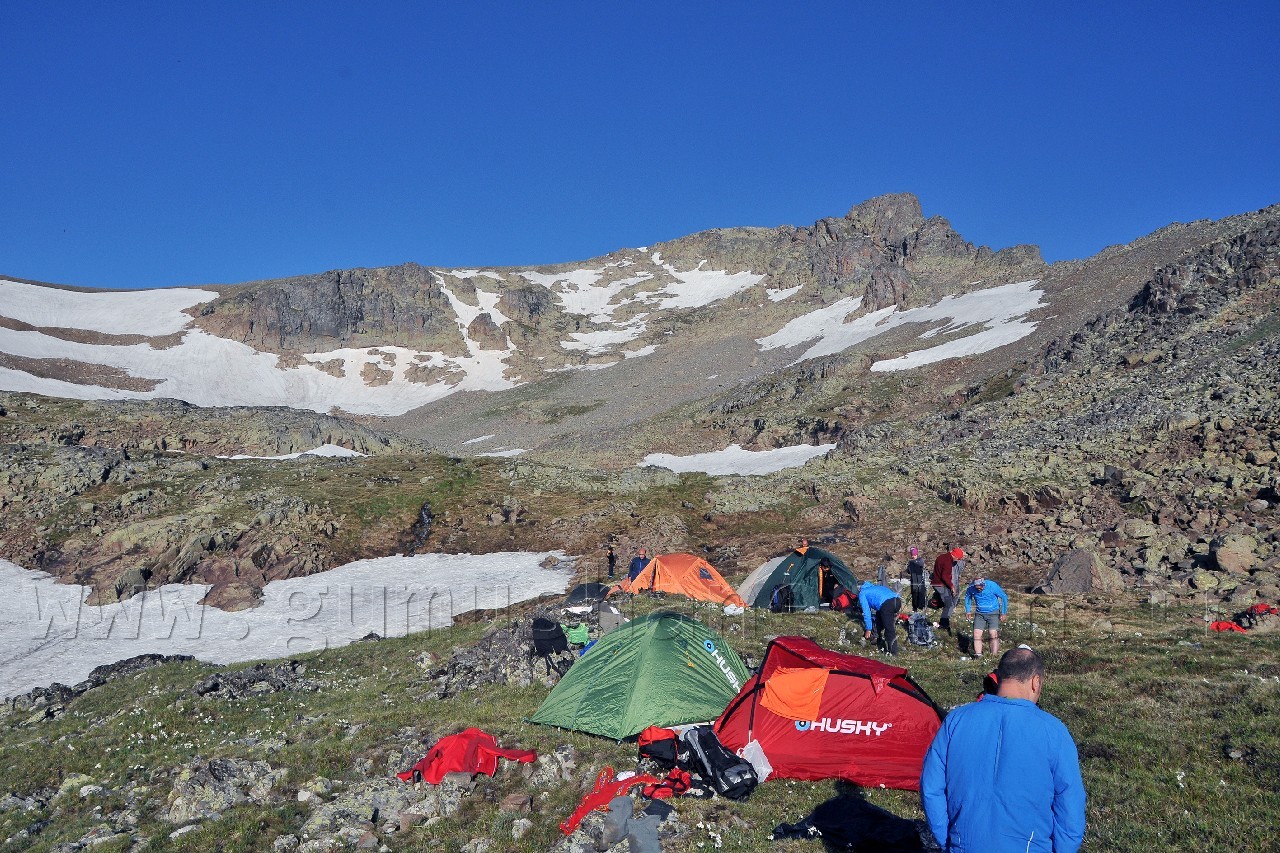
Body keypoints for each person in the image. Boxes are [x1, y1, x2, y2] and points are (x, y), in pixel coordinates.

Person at [920, 647, 1086, 852]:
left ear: (998, 677)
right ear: (1036, 682)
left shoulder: (956, 720)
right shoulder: (1054, 731)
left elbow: (931, 787)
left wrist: (948, 838)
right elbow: (1070, 803)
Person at [963, 576, 1008, 658]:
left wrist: (1003, 612)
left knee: (993, 634)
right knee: (976, 634)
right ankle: (978, 655)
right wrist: (968, 610)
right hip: (979, 613)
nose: (979, 590)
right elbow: (967, 597)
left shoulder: (992, 586)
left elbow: (1004, 597)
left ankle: (993, 656)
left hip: (993, 612)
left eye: (980, 588)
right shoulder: (971, 588)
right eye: (977, 588)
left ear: (983, 584)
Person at [857, 581, 901, 655]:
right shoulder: (875, 587)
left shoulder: (862, 593)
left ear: (859, 588)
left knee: (889, 629)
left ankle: (893, 652)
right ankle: (876, 637)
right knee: (879, 615)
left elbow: (867, 612)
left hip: (887, 605)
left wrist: (868, 629)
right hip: (897, 601)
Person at [930, 544, 957, 634]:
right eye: (958, 558)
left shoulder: (941, 557)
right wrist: (952, 586)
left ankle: (936, 602)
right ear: (955, 556)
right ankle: (943, 624)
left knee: (946, 602)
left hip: (936, 583)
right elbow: (945, 576)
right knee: (948, 604)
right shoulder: (947, 561)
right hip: (940, 585)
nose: (957, 560)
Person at [905, 547, 927, 611]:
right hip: (914, 581)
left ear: (917, 554)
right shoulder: (911, 562)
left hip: (920, 580)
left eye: (914, 555)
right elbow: (909, 571)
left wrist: (914, 562)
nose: (913, 556)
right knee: (914, 594)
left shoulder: (920, 560)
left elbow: (922, 565)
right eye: (912, 555)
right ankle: (915, 608)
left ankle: (921, 607)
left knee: (921, 593)